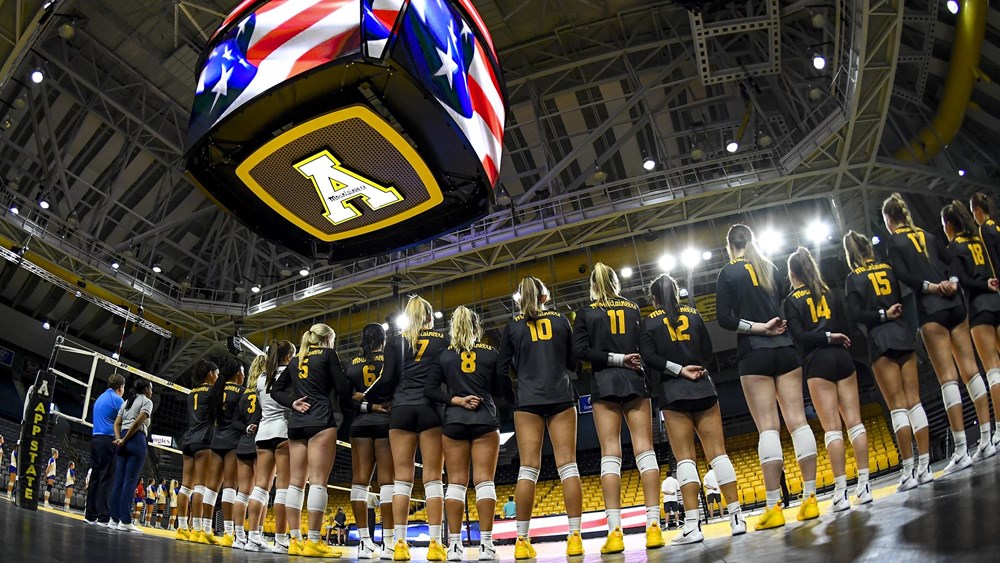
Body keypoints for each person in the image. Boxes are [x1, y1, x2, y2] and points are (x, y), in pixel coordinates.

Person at [716, 224, 819, 530]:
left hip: (755, 351)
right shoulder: (771, 267)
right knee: (798, 422)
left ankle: (774, 506)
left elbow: (724, 319)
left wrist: (759, 327)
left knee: (768, 430)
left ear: (730, 245)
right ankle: (810, 498)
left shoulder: (728, 272)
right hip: (786, 350)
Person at [883, 193, 986, 473]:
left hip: (931, 308)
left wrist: (930, 287)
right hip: (956, 303)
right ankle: (989, 437)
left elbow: (903, 275)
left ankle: (962, 449)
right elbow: (951, 259)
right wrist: (952, 282)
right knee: (971, 370)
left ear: (890, 220)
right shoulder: (928, 235)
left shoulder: (895, 241)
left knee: (948, 379)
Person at [640, 273, 745, 545]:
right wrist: (694, 367)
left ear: (654, 298)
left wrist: (677, 370)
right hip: (703, 386)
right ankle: (736, 517)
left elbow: (649, 358)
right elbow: (708, 352)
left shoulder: (649, 321)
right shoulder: (694, 314)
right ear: (676, 292)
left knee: (685, 458)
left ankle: (692, 526)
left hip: (673, 391)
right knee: (718, 454)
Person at [574, 262, 663, 554]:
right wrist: (626, 359)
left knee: (610, 453)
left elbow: (581, 352)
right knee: (645, 450)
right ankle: (654, 527)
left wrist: (614, 358)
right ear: (615, 282)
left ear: (593, 285)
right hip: (636, 380)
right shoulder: (634, 309)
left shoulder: (586, 312)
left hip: (605, 383)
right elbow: (644, 349)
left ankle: (615, 532)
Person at [497, 276, 583, 559]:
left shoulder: (512, 327)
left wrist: (515, 396)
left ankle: (521, 541)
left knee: (528, 469)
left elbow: (501, 370)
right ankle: (574, 538)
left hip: (528, 400)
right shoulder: (561, 320)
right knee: (568, 466)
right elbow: (573, 361)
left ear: (520, 300)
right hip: (560, 395)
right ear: (545, 297)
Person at [784, 247, 872, 512]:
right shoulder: (828, 292)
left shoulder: (791, 300)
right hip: (843, 358)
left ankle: (840, 492)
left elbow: (799, 336)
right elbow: (845, 327)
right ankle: (865, 485)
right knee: (855, 423)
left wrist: (824, 337)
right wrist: (834, 337)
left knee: (833, 429)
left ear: (792, 273)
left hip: (818, 361)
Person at [843, 232, 933, 489]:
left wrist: (881, 314)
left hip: (881, 340)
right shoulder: (889, 269)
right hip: (903, 334)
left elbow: (856, 314)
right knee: (914, 403)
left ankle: (908, 470)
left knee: (897, 407)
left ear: (850, 254)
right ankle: (925, 466)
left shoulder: (852, 278)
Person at [426, 306, 502, 561]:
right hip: (484, 418)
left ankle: (455, 546)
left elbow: (430, 389)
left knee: (456, 483)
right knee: (484, 481)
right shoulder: (490, 352)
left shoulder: (445, 356)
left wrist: (456, 399)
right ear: (477, 327)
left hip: (454, 421)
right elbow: (502, 387)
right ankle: (487, 546)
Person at [272, 323, 349, 558]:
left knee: (296, 482)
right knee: (317, 482)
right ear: (326, 339)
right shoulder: (328, 355)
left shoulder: (296, 360)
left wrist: (292, 403)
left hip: (297, 423)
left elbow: (275, 389)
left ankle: (295, 539)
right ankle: (314, 541)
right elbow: (342, 388)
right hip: (320, 421)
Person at [383, 296, 447, 561]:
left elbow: (387, 379)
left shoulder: (396, 341)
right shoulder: (442, 341)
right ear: (430, 317)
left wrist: (380, 399)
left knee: (402, 479)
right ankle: (435, 543)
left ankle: (399, 544)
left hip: (401, 409)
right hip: (431, 408)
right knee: (432, 477)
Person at [943, 201, 1000, 458]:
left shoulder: (954, 246)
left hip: (980, 308)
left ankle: (998, 430)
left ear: (948, 225)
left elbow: (959, 280)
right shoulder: (979, 239)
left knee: (992, 370)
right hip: (997, 298)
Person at [345, 323, 395, 559]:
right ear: (383, 339)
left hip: (360, 424)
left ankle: (365, 542)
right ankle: (389, 543)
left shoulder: (353, 363)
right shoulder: (390, 359)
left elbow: (345, 399)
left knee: (359, 482)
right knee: (387, 482)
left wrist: (366, 405)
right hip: (386, 422)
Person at [245, 341, 296, 553]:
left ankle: (252, 537)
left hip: (263, 433)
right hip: (283, 431)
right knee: (283, 487)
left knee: (260, 487)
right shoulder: (291, 374)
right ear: (288, 356)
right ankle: (280, 540)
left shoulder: (261, 378)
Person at [204, 358, 247, 546]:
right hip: (233, 442)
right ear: (238, 373)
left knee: (211, 487)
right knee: (230, 487)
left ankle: (204, 530)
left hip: (216, 440)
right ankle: (229, 533)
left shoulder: (216, 390)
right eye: (243, 371)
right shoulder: (242, 392)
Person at [178, 360, 219, 544]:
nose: (217, 377)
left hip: (188, 440)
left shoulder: (191, 393)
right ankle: (197, 529)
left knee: (185, 486)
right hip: (203, 441)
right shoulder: (212, 392)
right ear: (210, 374)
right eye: (216, 374)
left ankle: (181, 528)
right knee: (201, 486)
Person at [110, 379, 154, 534]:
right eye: (151, 389)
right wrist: (126, 439)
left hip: (122, 439)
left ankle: (113, 519)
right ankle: (125, 521)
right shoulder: (147, 402)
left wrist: (119, 439)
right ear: (147, 389)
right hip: (135, 439)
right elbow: (137, 423)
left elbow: (116, 423)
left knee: (119, 481)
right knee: (130, 481)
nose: (152, 391)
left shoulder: (127, 402)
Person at [232, 356, 263, 549]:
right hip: (261, 445)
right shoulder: (266, 391)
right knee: (261, 491)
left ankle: (238, 537)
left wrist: (246, 428)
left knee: (242, 493)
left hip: (244, 444)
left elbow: (234, 422)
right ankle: (255, 535)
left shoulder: (244, 395)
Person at [85, 373, 124, 524]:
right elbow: (127, 418)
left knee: (95, 477)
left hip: (95, 438)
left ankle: (90, 515)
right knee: (106, 478)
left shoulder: (100, 398)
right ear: (121, 387)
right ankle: (103, 517)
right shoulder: (117, 400)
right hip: (108, 440)